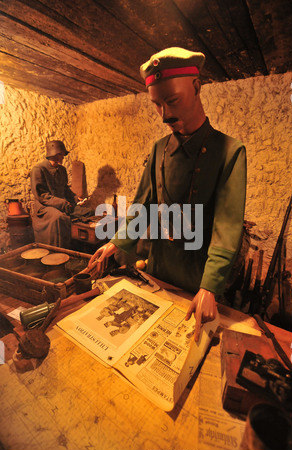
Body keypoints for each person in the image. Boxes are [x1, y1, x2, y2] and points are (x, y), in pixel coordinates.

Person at [88, 47, 247, 341]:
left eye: (172, 101)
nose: (164, 114)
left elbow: (227, 226)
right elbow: (142, 205)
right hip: (158, 269)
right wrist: (115, 243)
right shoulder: (159, 149)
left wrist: (210, 286)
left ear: (196, 87)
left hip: (198, 277)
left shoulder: (230, 152)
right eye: (157, 104)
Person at [31, 140, 93, 248]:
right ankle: (58, 251)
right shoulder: (39, 169)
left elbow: (65, 189)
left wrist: (75, 198)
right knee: (59, 217)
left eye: (63, 154)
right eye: (61, 154)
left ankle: (79, 246)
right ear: (53, 154)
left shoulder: (62, 170)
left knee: (88, 212)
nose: (63, 157)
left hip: (62, 204)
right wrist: (62, 203)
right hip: (45, 207)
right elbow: (41, 196)